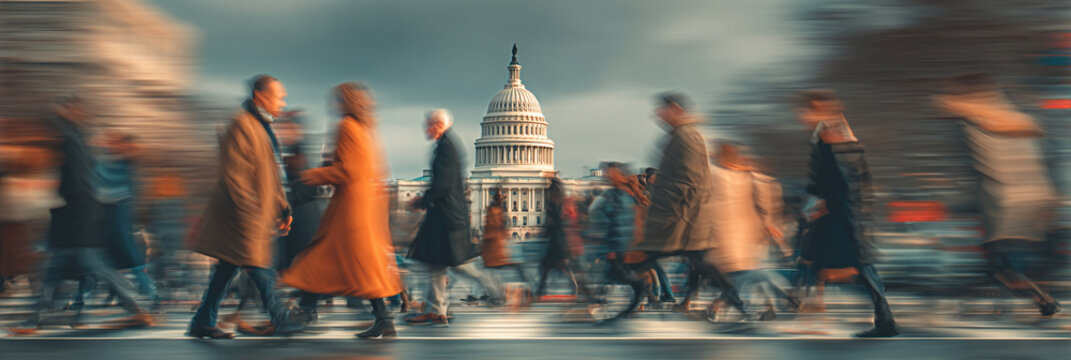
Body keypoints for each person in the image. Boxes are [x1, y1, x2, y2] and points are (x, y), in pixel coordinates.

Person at [11, 96, 153, 334]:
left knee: (71, 268)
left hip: (74, 219)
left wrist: (59, 201)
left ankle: (137, 307)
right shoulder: (76, 138)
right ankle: (36, 319)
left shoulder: (68, 139)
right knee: (62, 269)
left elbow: (75, 183)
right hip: (78, 217)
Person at [279, 82, 404, 339]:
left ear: (345, 102)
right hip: (364, 207)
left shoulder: (346, 127)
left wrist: (310, 175)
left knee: (322, 258)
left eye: (337, 100)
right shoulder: (366, 129)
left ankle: (305, 313)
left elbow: (346, 170)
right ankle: (383, 319)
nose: (333, 105)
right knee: (355, 265)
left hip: (350, 209)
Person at [187, 75, 306, 339]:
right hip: (241, 215)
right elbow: (235, 176)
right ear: (260, 95)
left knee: (226, 269)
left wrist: (283, 208)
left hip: (253, 212)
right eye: (279, 97)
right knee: (259, 267)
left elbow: (270, 177)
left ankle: (202, 321)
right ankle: (281, 319)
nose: (282, 103)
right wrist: (250, 213)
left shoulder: (261, 126)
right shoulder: (241, 125)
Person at [934, 73, 1061, 316]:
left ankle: (1038, 299)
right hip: (1035, 195)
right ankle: (1034, 298)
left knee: (1000, 263)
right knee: (1003, 260)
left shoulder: (973, 115)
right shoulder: (1011, 113)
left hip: (1005, 200)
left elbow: (950, 107)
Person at [632, 92, 747, 319]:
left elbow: (691, 181)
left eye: (662, 109)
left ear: (675, 109)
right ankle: (737, 303)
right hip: (684, 216)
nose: (658, 114)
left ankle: (633, 306)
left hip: (683, 218)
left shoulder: (685, 137)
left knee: (646, 257)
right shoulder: (681, 135)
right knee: (701, 265)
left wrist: (672, 210)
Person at [795, 90, 898, 337]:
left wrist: (824, 207)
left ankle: (886, 321)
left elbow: (844, 180)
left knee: (857, 265)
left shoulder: (832, 135)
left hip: (842, 213)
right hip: (837, 211)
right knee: (840, 265)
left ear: (818, 109)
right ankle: (884, 320)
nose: (801, 115)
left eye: (806, 110)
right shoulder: (829, 133)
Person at [406, 109, 502, 327]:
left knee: (459, 266)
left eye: (428, 123)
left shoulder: (446, 148)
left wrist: (420, 201)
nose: (425, 128)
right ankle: (436, 311)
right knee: (436, 265)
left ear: (439, 125)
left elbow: (443, 185)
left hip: (447, 219)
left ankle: (495, 289)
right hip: (444, 217)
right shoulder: (445, 145)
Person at [704, 141, 798, 320]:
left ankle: (779, 296)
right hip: (739, 235)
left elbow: (764, 204)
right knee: (740, 275)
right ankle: (773, 301)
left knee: (742, 275)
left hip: (731, 236)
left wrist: (769, 226)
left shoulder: (724, 175)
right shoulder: (744, 175)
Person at [535, 178, 584, 298]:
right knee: (550, 267)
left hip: (557, 242)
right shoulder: (558, 203)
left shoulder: (554, 205)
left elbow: (553, 222)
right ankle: (542, 288)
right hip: (557, 240)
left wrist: (545, 230)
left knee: (557, 267)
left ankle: (578, 286)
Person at [480, 188, 532, 293]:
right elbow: (493, 228)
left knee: (490, 272)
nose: (503, 199)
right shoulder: (495, 212)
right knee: (510, 267)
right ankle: (525, 286)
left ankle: (488, 292)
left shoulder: (494, 211)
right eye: (501, 197)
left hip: (497, 247)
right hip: (497, 248)